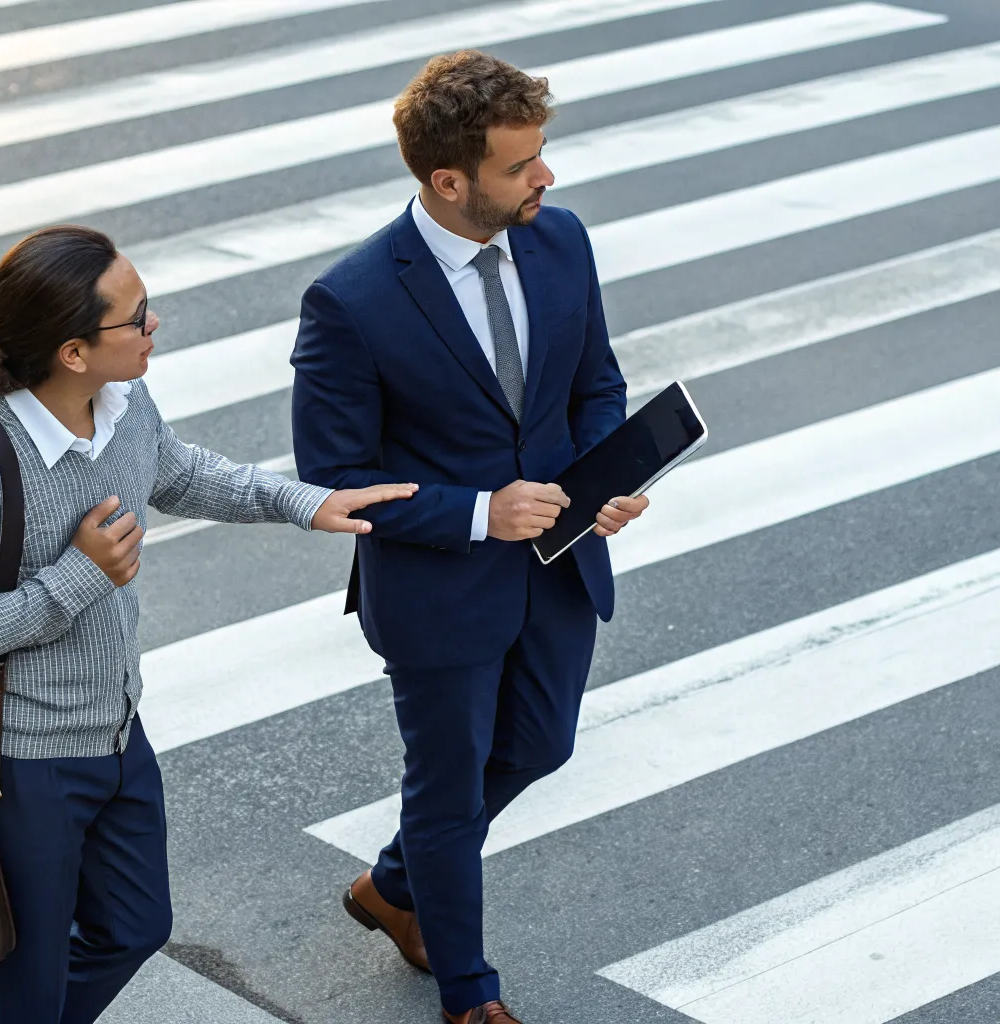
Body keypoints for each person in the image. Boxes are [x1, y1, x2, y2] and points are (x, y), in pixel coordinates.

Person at [0, 225, 415, 1024]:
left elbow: (176, 470)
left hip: (113, 731)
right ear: (72, 351)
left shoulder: (123, 401)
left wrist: (305, 503)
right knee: (26, 970)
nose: (154, 326)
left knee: (136, 925)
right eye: (136, 317)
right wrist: (77, 577)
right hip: (15, 761)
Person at [290, 51, 650, 1023]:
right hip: (440, 591)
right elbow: (333, 478)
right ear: (448, 181)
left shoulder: (559, 240)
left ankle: (394, 884)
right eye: (520, 164)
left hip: (559, 563)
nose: (545, 177)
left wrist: (595, 479)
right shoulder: (351, 300)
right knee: (446, 791)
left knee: (539, 742)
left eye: (542, 155)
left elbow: (594, 384)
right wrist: (478, 511)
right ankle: (466, 990)